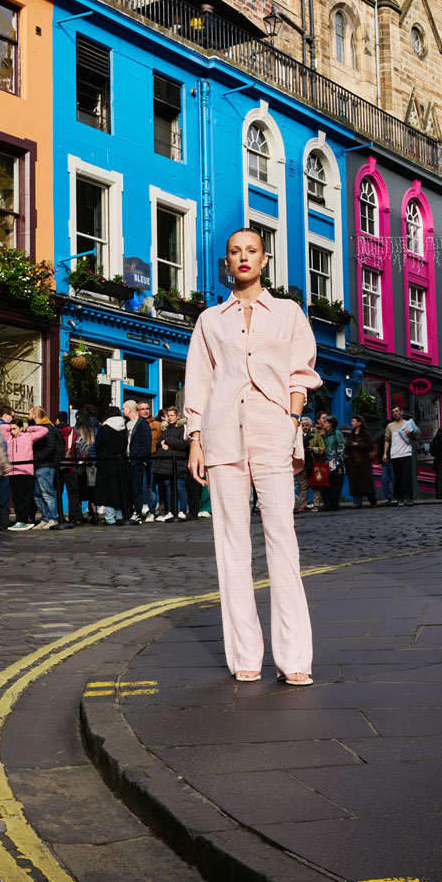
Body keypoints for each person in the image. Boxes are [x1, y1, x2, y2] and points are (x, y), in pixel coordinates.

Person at [186, 228, 321, 686]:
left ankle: (294, 656)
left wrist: (293, 421)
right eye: (234, 252)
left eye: (251, 251)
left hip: (272, 430)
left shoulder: (287, 313)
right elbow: (200, 381)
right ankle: (245, 653)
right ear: (226, 262)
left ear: (264, 260)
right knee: (231, 546)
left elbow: (301, 372)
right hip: (222, 433)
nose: (243, 257)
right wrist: (195, 439)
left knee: (282, 541)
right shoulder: (210, 320)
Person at [4, 412, 47, 531]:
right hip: (13, 472)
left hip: (25, 471)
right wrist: (8, 424)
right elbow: (0, 428)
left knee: (24, 497)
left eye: (14, 429)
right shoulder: (9, 438)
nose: (12, 431)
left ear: (21, 428)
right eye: (11, 429)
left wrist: (30, 428)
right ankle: (19, 519)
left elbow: (43, 431)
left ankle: (23, 519)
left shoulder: (28, 436)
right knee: (16, 498)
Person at [95, 408, 132, 524]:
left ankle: (110, 518)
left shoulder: (104, 429)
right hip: (121, 463)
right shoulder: (123, 428)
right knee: (120, 490)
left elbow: (98, 445)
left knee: (108, 491)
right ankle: (120, 516)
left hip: (106, 463)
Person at [28, 406, 61, 529]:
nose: (28, 416)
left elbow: (50, 447)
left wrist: (36, 456)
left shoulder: (48, 428)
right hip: (37, 465)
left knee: (47, 493)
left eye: (29, 414)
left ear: (35, 415)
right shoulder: (36, 429)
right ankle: (45, 518)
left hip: (45, 465)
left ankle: (53, 518)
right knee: (37, 494)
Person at [153, 406, 187, 521]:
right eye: (168, 415)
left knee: (180, 487)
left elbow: (184, 444)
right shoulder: (165, 429)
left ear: (177, 416)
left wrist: (167, 441)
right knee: (168, 488)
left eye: (172, 415)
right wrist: (161, 444)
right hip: (165, 463)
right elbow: (158, 443)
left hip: (178, 463)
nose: (170, 418)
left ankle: (182, 510)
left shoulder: (182, 428)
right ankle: (170, 511)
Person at [383, 406, 419, 506]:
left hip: (406, 453)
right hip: (395, 455)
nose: (395, 413)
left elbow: (416, 438)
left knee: (407, 477)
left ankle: (409, 497)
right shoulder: (390, 426)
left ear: (401, 412)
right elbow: (387, 440)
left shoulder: (408, 424)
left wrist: (411, 434)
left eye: (397, 411)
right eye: (393, 412)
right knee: (397, 478)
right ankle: (400, 498)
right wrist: (385, 453)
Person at [124, 401, 151, 522]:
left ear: (130, 409)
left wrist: (138, 458)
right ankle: (130, 511)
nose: (122, 411)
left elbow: (146, 444)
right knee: (129, 487)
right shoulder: (126, 424)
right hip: (127, 460)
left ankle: (137, 511)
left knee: (137, 488)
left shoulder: (142, 424)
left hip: (136, 461)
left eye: (124, 408)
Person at [344, 415, 378, 507]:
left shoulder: (365, 434)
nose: (352, 423)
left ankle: (372, 501)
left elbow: (369, 445)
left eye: (354, 421)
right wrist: (349, 445)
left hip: (364, 462)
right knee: (355, 483)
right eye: (352, 421)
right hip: (353, 463)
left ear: (359, 423)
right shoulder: (351, 434)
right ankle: (357, 502)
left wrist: (358, 444)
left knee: (366, 483)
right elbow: (347, 448)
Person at [69, 415, 97, 524]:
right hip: (91, 466)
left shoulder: (76, 431)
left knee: (79, 492)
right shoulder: (93, 431)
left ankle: (79, 516)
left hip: (79, 466)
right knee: (92, 492)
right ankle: (94, 515)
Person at [320, 415, 345, 511]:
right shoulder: (325, 435)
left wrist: (338, 460)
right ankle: (330, 503)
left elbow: (341, 446)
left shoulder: (337, 433)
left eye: (325, 422)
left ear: (330, 423)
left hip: (336, 463)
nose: (323, 423)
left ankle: (335, 504)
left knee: (335, 485)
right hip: (327, 463)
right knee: (328, 485)